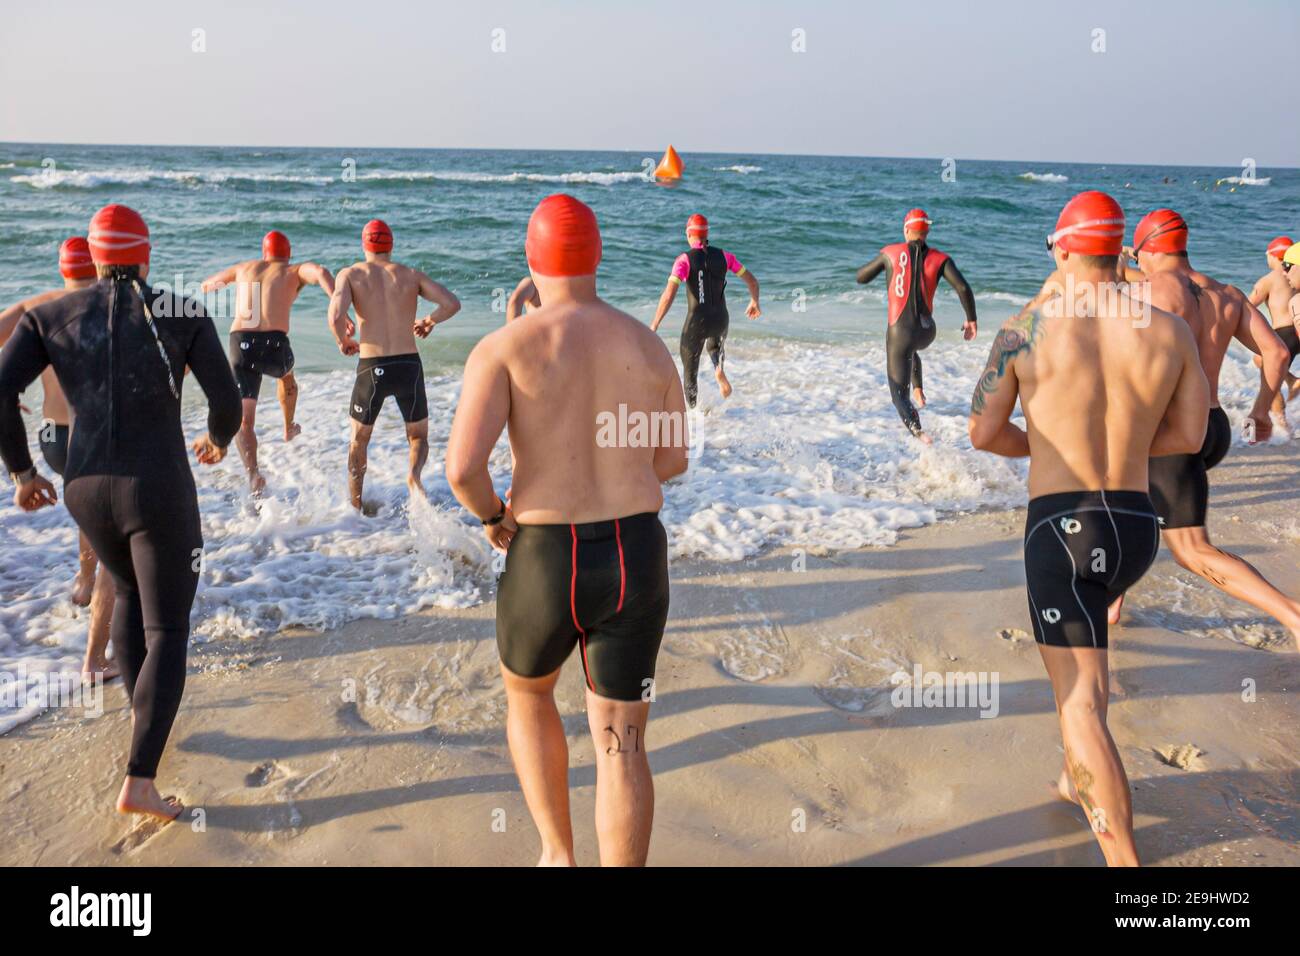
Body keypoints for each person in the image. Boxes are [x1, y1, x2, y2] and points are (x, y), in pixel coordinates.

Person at [446, 194, 688, 866]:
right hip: (635, 551)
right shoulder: (646, 344)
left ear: (530, 260)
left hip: (548, 555)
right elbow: (672, 459)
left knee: (527, 696)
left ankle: (557, 853)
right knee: (622, 740)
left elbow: (463, 468)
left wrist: (495, 516)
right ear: (598, 257)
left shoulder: (504, 347)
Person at [969, 190, 1210, 866]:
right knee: (1089, 680)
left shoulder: (1026, 328)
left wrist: (1045, 446)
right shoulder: (1169, 328)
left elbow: (983, 433)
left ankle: (1126, 869)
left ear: (1065, 248)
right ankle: (1076, 781)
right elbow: (1190, 433)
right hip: (1135, 527)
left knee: (1079, 704)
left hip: (1062, 530)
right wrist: (1123, 449)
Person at [0, 204, 243, 821]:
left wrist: (23, 472)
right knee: (168, 629)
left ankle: (144, 729)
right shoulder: (182, 310)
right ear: (147, 255)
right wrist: (216, 440)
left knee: (130, 597)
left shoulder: (47, 315)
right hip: (156, 486)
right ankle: (140, 780)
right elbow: (227, 397)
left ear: (95, 256)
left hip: (84, 488)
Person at [1111, 209, 1298, 644]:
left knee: (1191, 549)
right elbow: (1278, 354)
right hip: (1213, 428)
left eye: (1140, 255)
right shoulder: (1227, 294)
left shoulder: (1147, 293)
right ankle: (1111, 600)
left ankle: (1292, 615)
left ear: (1149, 249)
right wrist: (1261, 411)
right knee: (1126, 500)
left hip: (1172, 432)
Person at [0, 238, 117, 678]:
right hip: (96, 433)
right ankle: (95, 657)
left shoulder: (37, 306)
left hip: (52, 435)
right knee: (111, 526)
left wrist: (6, 390)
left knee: (90, 514)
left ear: (61, 268)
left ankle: (84, 584)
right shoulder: (113, 303)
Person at [327, 220, 460, 510]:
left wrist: (342, 341)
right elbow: (451, 303)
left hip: (371, 366)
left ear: (364, 245)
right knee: (418, 436)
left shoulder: (350, 274)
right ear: (391, 245)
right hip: (408, 365)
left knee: (359, 441)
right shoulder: (410, 275)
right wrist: (428, 321)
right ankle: (413, 476)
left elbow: (336, 311)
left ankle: (355, 506)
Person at [201, 230, 334, 494]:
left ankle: (253, 475)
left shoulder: (245, 267)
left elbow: (208, 286)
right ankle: (288, 427)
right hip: (274, 346)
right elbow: (319, 272)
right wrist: (335, 300)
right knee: (287, 377)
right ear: (289, 255)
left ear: (264, 254)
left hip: (240, 343)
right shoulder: (294, 270)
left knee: (245, 421)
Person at [856, 209, 979, 442]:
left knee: (896, 393)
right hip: (927, 331)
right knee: (910, 350)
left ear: (906, 230)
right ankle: (919, 391)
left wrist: (881, 266)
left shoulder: (890, 253)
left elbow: (861, 277)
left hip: (900, 332)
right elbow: (963, 288)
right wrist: (971, 320)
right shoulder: (940, 258)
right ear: (927, 232)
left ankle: (919, 432)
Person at [650, 214, 760, 408]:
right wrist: (754, 301)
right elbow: (752, 281)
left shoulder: (684, 260)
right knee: (715, 346)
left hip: (696, 322)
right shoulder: (725, 257)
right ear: (707, 233)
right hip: (720, 319)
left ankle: (693, 414)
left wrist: (655, 324)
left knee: (690, 371)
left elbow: (668, 295)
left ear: (688, 233)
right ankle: (718, 368)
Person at [1247, 235, 1299, 427]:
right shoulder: (1295, 276)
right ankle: (1292, 380)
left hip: (1284, 331)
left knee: (1269, 373)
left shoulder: (1268, 280)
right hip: (1297, 331)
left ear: (1274, 256)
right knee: (1260, 359)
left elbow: (1247, 307)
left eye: (1267, 255)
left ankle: (1281, 424)